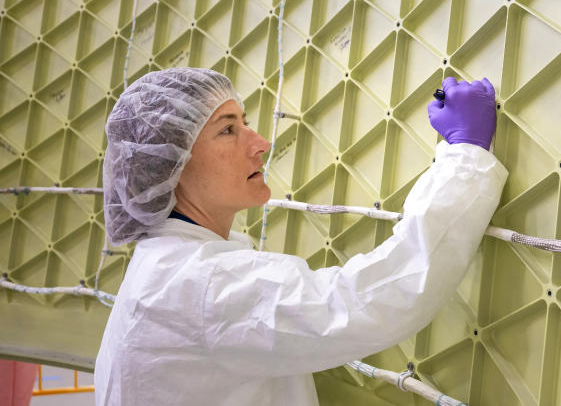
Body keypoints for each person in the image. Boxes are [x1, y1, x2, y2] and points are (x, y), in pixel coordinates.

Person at [94, 68, 506, 405]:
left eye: (247, 123)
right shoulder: (197, 286)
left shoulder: (167, 270)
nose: (261, 143)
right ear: (172, 165)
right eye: (227, 130)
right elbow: (374, 299)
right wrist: (465, 157)